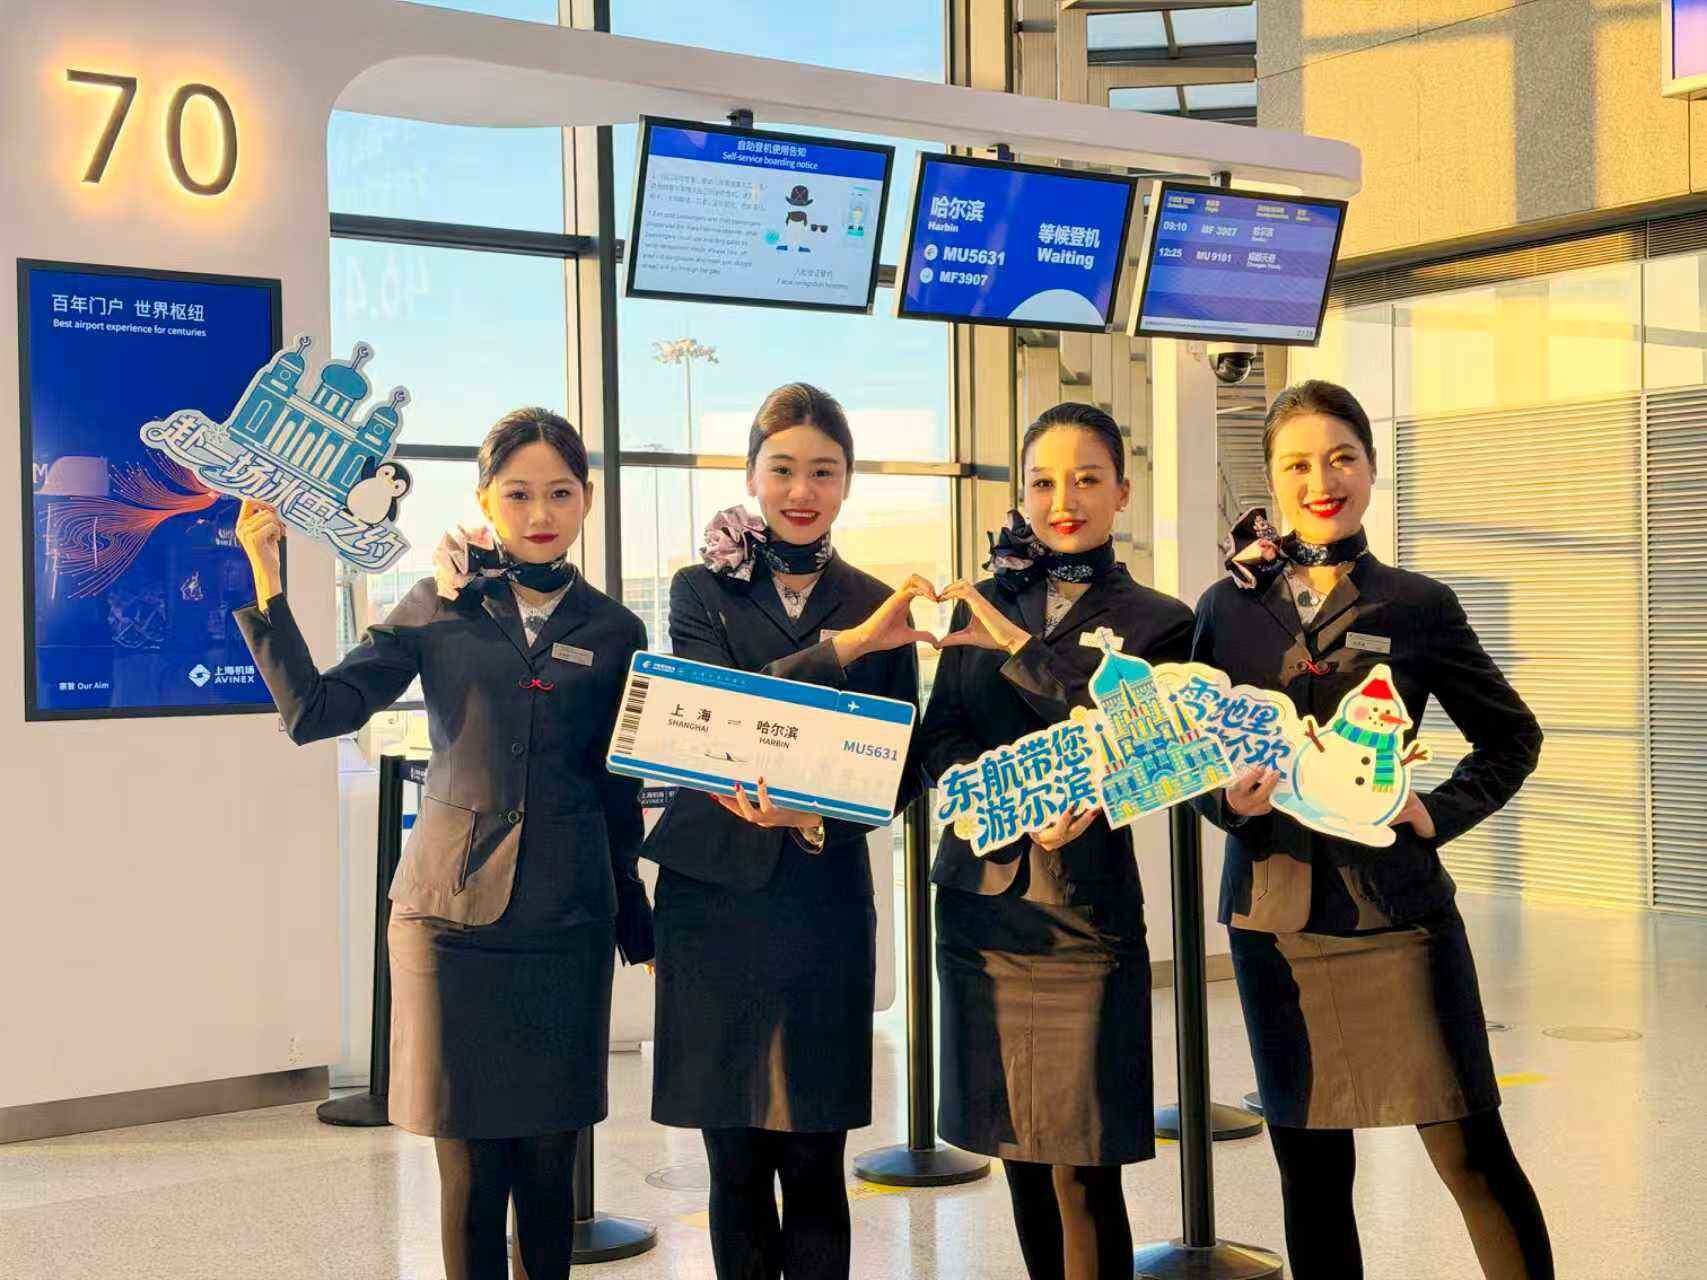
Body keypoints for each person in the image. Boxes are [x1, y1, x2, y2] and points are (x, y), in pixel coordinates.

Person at [232, 408, 653, 1280]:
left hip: (568, 920)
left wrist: (634, 913)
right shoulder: (438, 606)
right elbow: (316, 712)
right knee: (470, 1173)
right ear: (484, 500)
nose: (540, 512)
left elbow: (617, 781)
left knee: (550, 1170)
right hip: (450, 926)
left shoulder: (617, 630)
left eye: (560, 493)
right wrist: (267, 578)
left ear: (586, 499)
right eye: (518, 494)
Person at [1195, 379, 1554, 1280]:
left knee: (1470, 1154)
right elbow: (1186, 761)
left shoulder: (1415, 603)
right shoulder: (1223, 610)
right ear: (1271, 481)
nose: (1321, 481)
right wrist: (1227, 803)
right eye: (1298, 465)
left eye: (1340, 458)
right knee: (1310, 1173)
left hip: (1397, 916)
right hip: (1275, 921)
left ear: (1370, 466)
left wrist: (1438, 811)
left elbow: (1511, 736)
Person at [641, 382, 933, 1280]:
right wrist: (845, 649)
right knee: (732, 1162)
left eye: (823, 472)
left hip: (821, 904)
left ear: (847, 481)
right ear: (751, 476)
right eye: (782, 470)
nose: (801, 491)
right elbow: (719, 711)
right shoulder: (698, 589)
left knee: (813, 1160)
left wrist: (815, 816)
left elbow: (901, 767)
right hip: (713, 903)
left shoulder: (878, 600)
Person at [917, 402, 1193, 1280]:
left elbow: (1138, 735)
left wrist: (1012, 642)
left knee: (1084, 1165)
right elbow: (941, 736)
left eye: (1085, 479)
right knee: (1019, 1155)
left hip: (1084, 915)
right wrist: (1003, 799)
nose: (1062, 500)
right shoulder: (979, 603)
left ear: (1122, 491)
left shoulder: (1159, 620)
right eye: (1042, 481)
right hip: (983, 911)